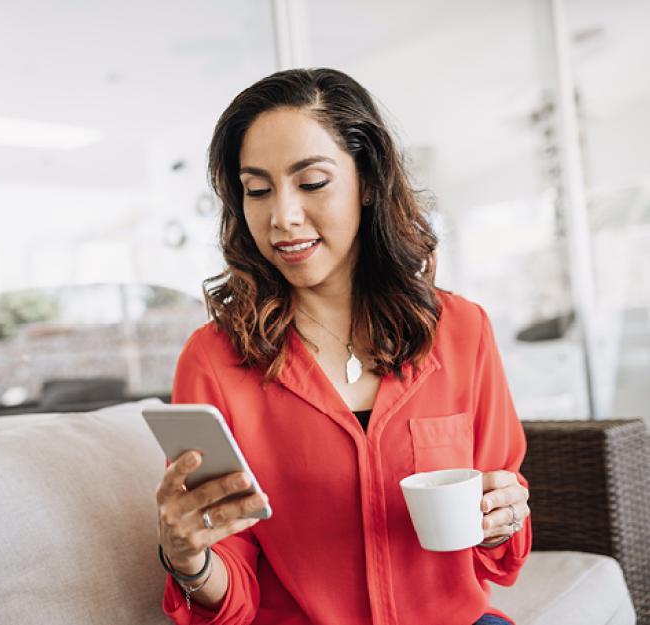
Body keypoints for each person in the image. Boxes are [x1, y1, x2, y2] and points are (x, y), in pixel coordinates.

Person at [154, 68, 531, 625]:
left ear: (370, 182)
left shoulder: (462, 330)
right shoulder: (213, 359)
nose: (281, 216)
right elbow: (231, 590)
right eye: (257, 189)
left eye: (311, 183)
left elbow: (500, 558)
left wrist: (506, 514)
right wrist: (188, 559)